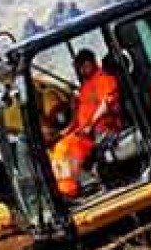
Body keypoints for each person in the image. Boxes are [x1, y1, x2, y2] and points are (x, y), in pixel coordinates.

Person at [49, 48, 125, 197]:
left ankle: (69, 191)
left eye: (84, 66)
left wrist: (90, 125)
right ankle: (65, 187)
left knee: (65, 148)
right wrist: (66, 130)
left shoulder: (104, 79)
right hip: (86, 131)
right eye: (79, 67)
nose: (81, 70)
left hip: (102, 131)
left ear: (91, 62)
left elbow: (107, 103)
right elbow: (80, 115)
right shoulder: (85, 86)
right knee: (56, 147)